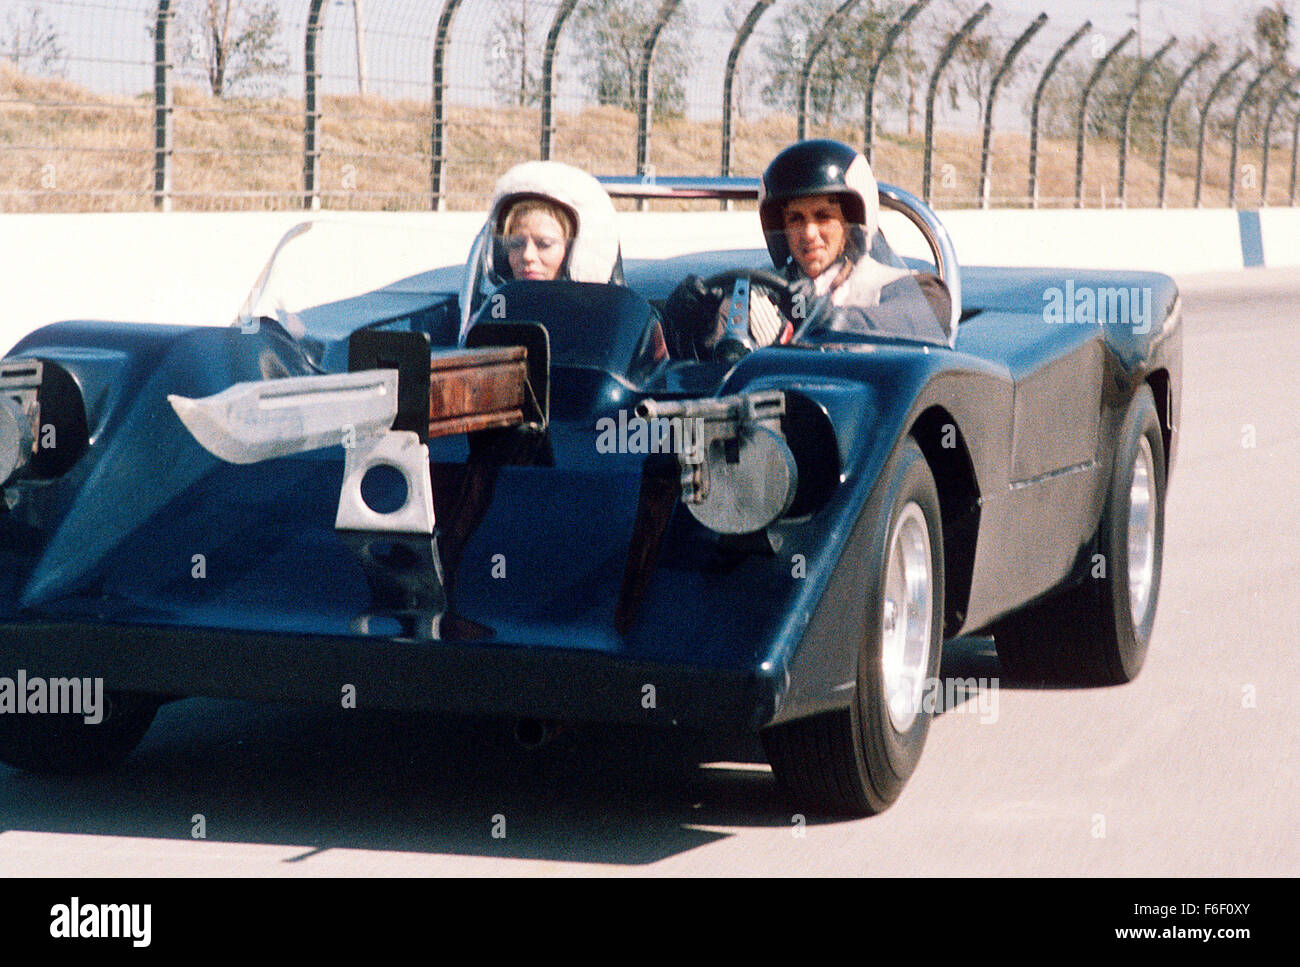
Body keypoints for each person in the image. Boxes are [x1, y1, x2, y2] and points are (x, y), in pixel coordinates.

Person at [663, 139, 951, 358]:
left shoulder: (916, 288)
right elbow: (718, 360)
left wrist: (825, 317)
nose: (809, 234)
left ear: (851, 222)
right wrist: (692, 326)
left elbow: (917, 322)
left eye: (823, 216)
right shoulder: (757, 295)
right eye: (795, 219)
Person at [481, 160, 623, 285]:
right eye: (516, 244)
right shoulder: (496, 309)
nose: (527, 256)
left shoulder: (610, 314)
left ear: (579, 252)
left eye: (544, 244)